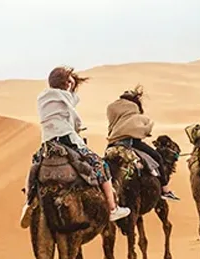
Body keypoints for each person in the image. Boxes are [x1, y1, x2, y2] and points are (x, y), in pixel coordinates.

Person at [21, 66, 131, 228]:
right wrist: (71, 86)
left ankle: (28, 203)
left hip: (48, 142)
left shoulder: (42, 98)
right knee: (102, 165)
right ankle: (113, 208)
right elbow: (75, 118)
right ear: (66, 83)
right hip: (67, 139)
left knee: (34, 166)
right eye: (69, 82)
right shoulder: (64, 96)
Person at [106, 88, 179, 201]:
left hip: (112, 143)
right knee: (157, 157)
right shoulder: (134, 110)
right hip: (132, 143)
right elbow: (143, 126)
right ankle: (165, 190)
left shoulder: (112, 109)